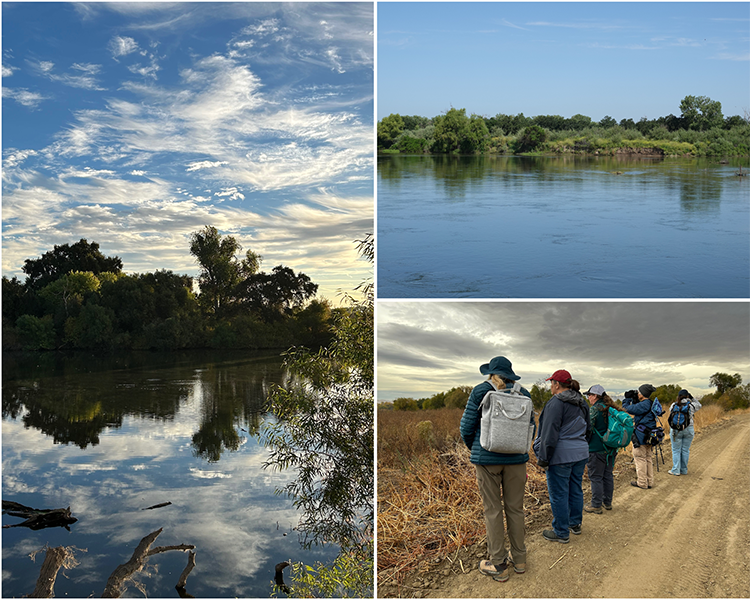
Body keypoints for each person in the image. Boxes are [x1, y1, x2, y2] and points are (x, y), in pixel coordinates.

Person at [460, 356, 535, 582]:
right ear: (511, 375)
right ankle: (520, 560)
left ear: (491, 373)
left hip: (487, 460)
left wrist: (476, 448)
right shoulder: (524, 394)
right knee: (516, 509)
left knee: (492, 510)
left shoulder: (480, 391)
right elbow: (531, 426)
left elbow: (466, 426)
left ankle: (499, 564)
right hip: (517, 461)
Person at [533, 370, 590, 544]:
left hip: (561, 456)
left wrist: (543, 458)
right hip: (580, 454)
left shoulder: (556, 403)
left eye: (551, 383)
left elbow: (549, 433)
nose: (550, 386)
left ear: (557, 385)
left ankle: (561, 531)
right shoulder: (582, 402)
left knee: (559, 494)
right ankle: (575, 524)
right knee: (575, 489)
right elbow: (589, 430)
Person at [584, 385, 624, 513]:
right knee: (607, 475)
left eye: (589, 395)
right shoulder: (611, 408)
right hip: (611, 448)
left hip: (596, 449)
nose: (588, 397)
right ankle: (607, 502)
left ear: (595, 396)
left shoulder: (595, 410)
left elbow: (588, 430)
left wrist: (585, 443)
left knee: (596, 477)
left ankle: (596, 505)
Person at [622, 384, 657, 489]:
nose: (638, 393)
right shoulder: (649, 403)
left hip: (641, 436)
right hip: (649, 435)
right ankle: (649, 482)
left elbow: (627, 408)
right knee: (648, 458)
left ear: (643, 394)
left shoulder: (645, 404)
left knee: (640, 458)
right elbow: (638, 409)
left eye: (639, 392)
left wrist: (627, 399)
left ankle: (642, 482)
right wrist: (635, 399)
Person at [668, 389, 702, 476]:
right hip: (688, 428)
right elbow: (699, 405)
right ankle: (684, 470)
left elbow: (670, 411)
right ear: (687, 396)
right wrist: (692, 398)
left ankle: (676, 470)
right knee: (685, 450)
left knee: (676, 450)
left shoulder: (673, 405)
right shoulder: (691, 406)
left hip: (676, 430)